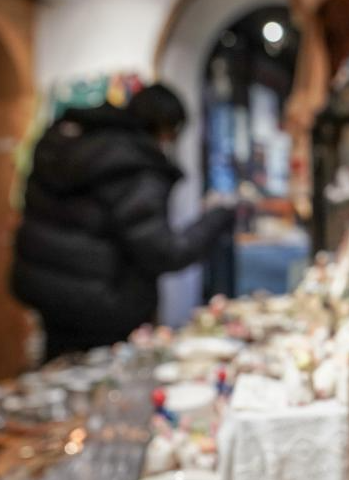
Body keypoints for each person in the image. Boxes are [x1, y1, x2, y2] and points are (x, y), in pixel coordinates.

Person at [12, 84, 235, 359]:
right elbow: (163, 252)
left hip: (52, 298)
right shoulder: (133, 165)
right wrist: (217, 215)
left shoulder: (68, 146)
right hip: (107, 308)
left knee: (63, 373)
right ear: (166, 128)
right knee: (108, 380)